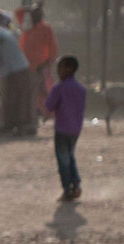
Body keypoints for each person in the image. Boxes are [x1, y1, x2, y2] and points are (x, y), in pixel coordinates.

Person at [0, 12, 35, 135]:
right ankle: (15, 124)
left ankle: (19, 125)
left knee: (14, 97)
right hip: (16, 67)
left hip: (15, 69)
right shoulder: (2, 31)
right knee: (15, 96)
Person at [45, 55, 85, 201]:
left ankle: (67, 189)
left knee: (63, 160)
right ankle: (76, 184)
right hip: (75, 129)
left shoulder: (59, 88)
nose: (57, 71)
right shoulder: (81, 89)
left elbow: (49, 105)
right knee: (70, 156)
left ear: (68, 69)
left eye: (60, 67)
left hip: (62, 129)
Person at [20, 5, 58, 120]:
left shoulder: (46, 28)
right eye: (33, 14)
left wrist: (48, 61)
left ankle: (50, 112)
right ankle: (37, 111)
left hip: (41, 65)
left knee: (45, 89)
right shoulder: (28, 27)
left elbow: (53, 47)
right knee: (31, 91)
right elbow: (18, 12)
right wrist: (27, 8)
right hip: (26, 65)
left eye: (37, 14)